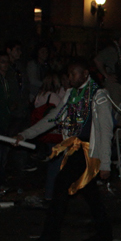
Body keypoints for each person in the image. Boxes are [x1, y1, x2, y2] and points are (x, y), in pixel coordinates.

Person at [15, 60, 115, 241]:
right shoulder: (71, 95)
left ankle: (51, 236)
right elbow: (52, 118)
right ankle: (104, 231)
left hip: (88, 152)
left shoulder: (99, 96)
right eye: (69, 74)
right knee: (89, 192)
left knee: (60, 187)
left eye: (73, 74)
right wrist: (26, 134)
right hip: (75, 150)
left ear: (85, 73)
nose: (69, 78)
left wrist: (105, 163)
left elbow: (106, 131)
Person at [0, 50, 30, 190]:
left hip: (5, 120)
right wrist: (7, 107)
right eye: (2, 62)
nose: (5, 65)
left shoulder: (6, 79)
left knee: (3, 154)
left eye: (6, 62)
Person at [31, 72, 67, 201]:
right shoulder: (53, 96)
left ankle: (50, 193)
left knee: (52, 163)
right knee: (56, 165)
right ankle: (51, 194)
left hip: (44, 133)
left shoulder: (40, 96)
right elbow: (62, 110)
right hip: (54, 133)